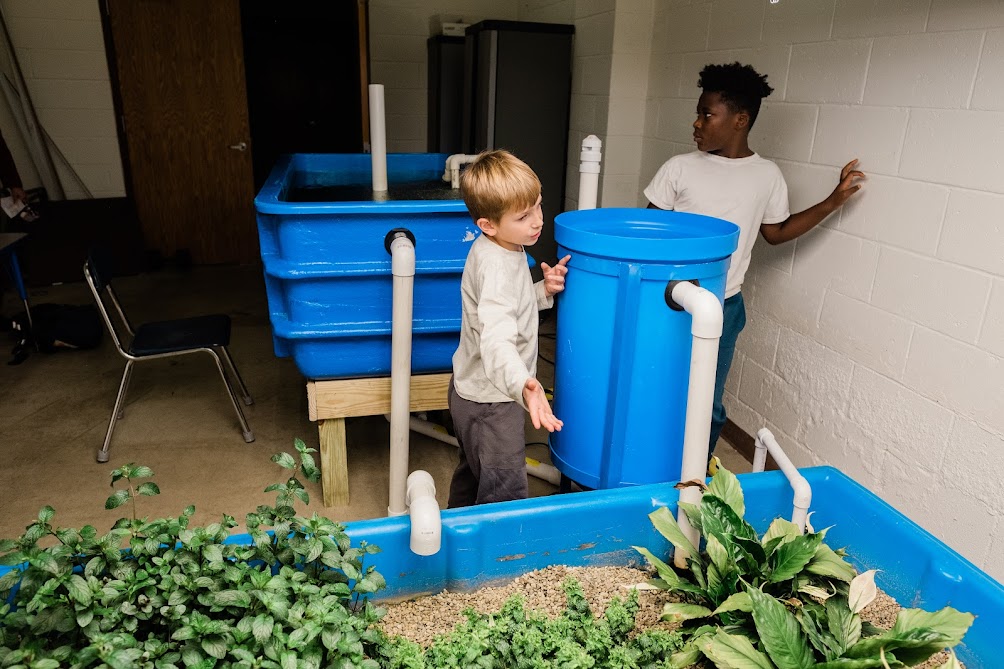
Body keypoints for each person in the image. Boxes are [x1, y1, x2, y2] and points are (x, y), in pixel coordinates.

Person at [644, 62, 864, 459]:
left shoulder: (766, 175)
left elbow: (776, 232)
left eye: (707, 114)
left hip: (724, 306)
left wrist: (833, 201)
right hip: (667, 302)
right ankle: (646, 468)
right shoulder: (679, 168)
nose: (696, 123)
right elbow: (649, 234)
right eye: (698, 114)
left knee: (707, 404)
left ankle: (692, 484)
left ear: (740, 120)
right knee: (656, 388)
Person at [447, 149, 570, 508]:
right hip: (493, 401)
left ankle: (458, 536)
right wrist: (523, 385)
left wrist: (541, 291)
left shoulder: (500, 246)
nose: (538, 221)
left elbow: (503, 307)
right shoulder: (498, 266)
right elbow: (496, 338)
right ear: (487, 224)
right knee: (505, 491)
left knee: (474, 471)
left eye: (538, 206)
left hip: (471, 389)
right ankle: (504, 561)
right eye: (523, 216)